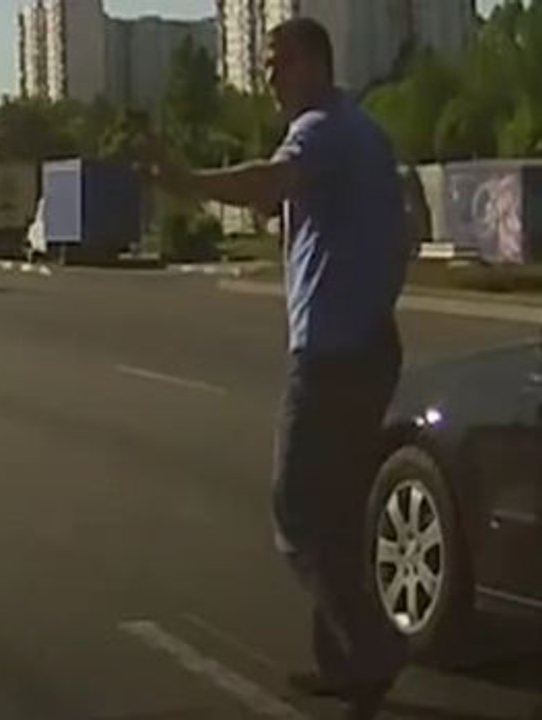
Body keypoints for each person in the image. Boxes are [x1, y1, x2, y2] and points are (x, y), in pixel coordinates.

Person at [135, 17, 412, 720]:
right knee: (338, 512)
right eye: (264, 63)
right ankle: (345, 664)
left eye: (276, 62)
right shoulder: (363, 132)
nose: (267, 78)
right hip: (371, 342)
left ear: (314, 63)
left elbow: (268, 179)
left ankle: (370, 649)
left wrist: (184, 178)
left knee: (297, 514)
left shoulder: (318, 130)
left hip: (331, 355)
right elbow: (398, 226)